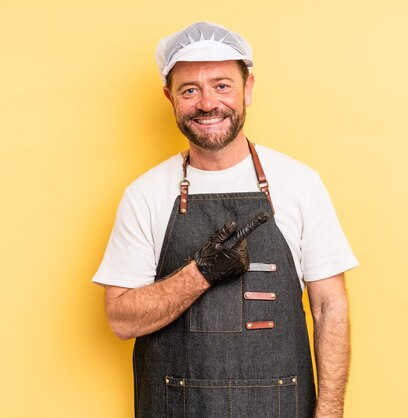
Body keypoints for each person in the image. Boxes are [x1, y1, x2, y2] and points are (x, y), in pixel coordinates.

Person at [92, 21, 358, 418]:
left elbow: (329, 307)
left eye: (221, 85)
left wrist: (331, 410)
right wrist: (199, 273)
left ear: (247, 88)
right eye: (189, 90)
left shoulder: (300, 183)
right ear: (170, 98)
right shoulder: (145, 194)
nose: (206, 103)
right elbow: (120, 319)